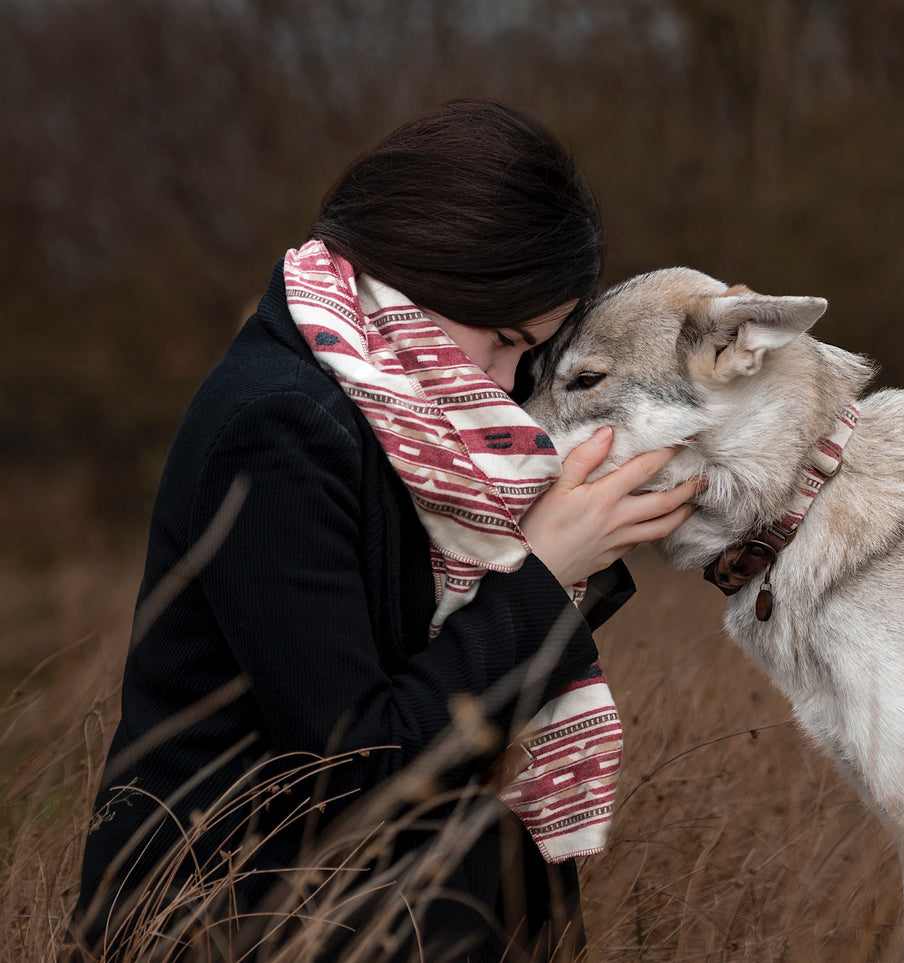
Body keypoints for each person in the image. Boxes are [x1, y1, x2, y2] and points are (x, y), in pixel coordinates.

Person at [72, 99, 701, 961]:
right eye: (507, 339)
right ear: (430, 271)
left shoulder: (405, 415)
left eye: (535, 354)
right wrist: (543, 575)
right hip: (230, 919)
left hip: (360, 897)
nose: (511, 382)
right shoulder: (278, 424)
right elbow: (355, 767)